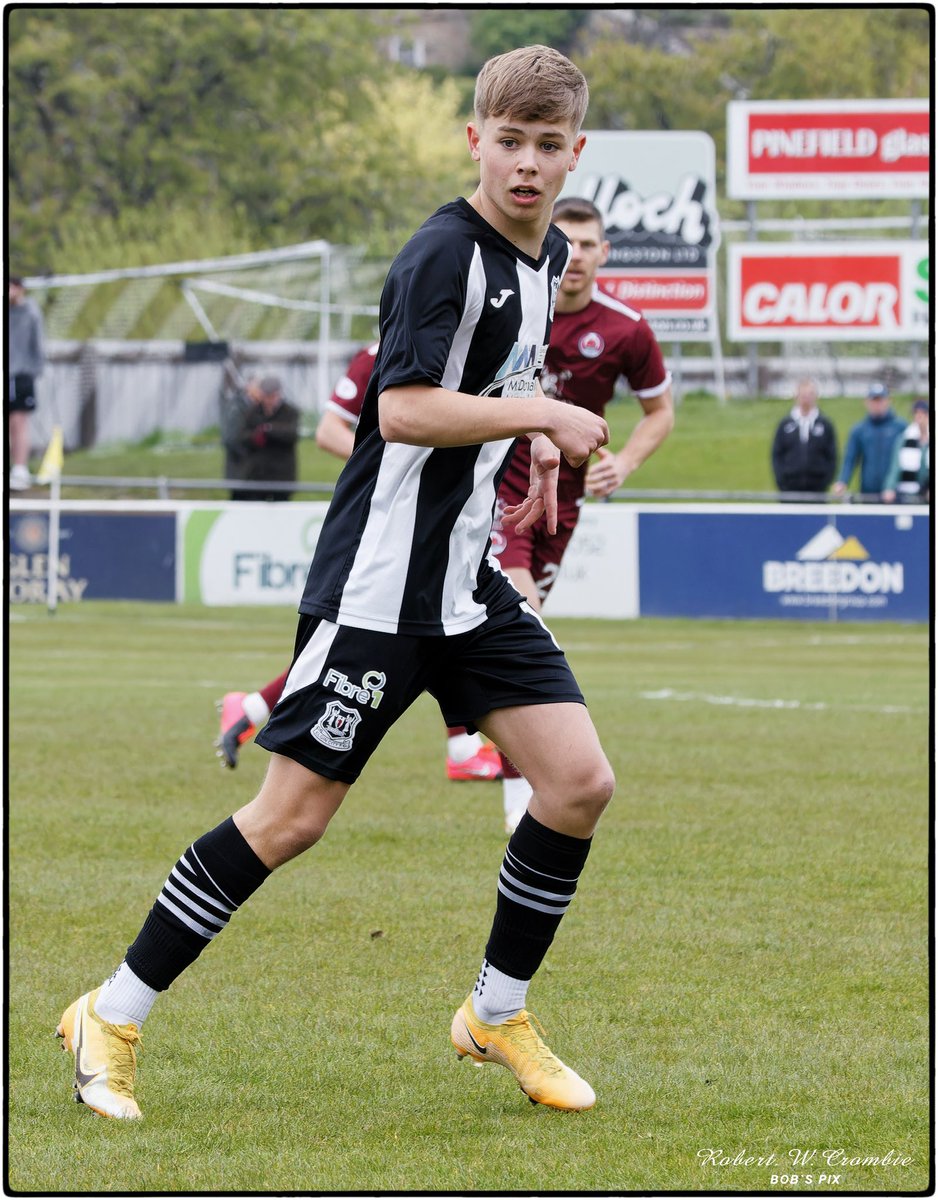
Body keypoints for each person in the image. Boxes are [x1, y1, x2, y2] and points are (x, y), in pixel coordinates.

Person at [57, 44, 614, 1120]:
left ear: (573, 150)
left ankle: (494, 1014)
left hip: (465, 585)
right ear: (474, 140)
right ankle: (111, 1013)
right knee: (289, 820)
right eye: (509, 143)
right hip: (376, 586)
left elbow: (485, 386)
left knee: (578, 784)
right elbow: (398, 410)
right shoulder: (440, 256)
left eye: (548, 147)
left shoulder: (542, 262)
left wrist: (528, 438)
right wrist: (541, 415)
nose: (527, 166)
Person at [216, 342, 502, 782]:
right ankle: (463, 749)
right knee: (390, 634)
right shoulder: (386, 352)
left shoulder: (477, 348)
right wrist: (390, 469)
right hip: (386, 527)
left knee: (410, 633)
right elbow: (329, 430)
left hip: (444, 523)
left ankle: (252, 706)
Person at [493, 195, 673, 832]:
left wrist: (621, 464)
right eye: (565, 242)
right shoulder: (512, 303)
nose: (576, 257)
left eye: (590, 244)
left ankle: (476, 740)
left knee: (503, 635)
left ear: (604, 253)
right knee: (524, 626)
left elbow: (660, 413)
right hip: (491, 488)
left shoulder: (626, 328)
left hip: (560, 506)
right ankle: (511, 784)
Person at [222, 374, 299, 501]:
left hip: (282, 477)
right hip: (256, 477)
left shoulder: (289, 412)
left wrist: (269, 430)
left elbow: (291, 434)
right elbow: (238, 438)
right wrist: (255, 437)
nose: (269, 400)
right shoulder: (252, 411)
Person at [832, 382, 906, 502]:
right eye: (874, 400)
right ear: (867, 402)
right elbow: (850, 459)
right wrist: (843, 481)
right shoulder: (860, 430)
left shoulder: (900, 428)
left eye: (880, 400)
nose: (877, 404)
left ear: (888, 401)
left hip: (895, 495)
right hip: (868, 494)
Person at [770, 377, 838, 500]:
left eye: (810, 394)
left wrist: (825, 482)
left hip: (817, 491)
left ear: (816, 397)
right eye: (803, 395)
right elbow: (776, 455)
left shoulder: (825, 425)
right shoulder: (785, 425)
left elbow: (832, 456)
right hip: (789, 490)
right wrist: (782, 483)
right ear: (796, 396)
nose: (806, 398)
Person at [8, 275, 45, 491]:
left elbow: (38, 343)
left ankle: (20, 469)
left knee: (19, 421)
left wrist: (35, 370)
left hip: (22, 375)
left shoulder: (30, 312)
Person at [882, 399, 930, 503]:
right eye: (916, 413)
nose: (919, 416)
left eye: (923, 413)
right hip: (907, 494)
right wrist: (889, 488)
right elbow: (895, 466)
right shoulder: (904, 439)